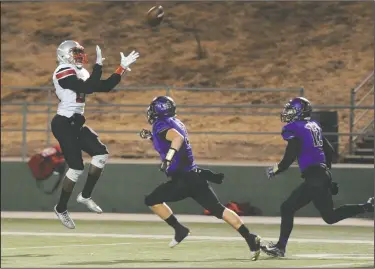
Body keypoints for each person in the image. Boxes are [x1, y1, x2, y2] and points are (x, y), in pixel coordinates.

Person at [139, 96, 262, 261]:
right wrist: (151, 137)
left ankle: (179, 229)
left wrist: (168, 158)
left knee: (151, 200)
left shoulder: (161, 123)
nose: (150, 112)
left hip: (182, 179)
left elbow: (177, 139)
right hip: (194, 176)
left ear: (159, 110)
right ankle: (250, 238)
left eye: (153, 108)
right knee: (219, 210)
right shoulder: (176, 122)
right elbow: (169, 139)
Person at [261, 97, 374, 258]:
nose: (288, 113)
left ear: (300, 111)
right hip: (320, 176)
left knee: (287, 207)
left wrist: (275, 169)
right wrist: (327, 176)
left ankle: (280, 247)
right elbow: (329, 151)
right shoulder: (313, 126)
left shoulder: (295, 128)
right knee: (330, 216)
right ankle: (366, 207)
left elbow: (288, 159)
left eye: (291, 110)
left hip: (316, 177)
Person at [51, 40, 139, 229]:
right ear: (64, 55)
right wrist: (98, 66)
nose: (79, 56)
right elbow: (87, 88)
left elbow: (105, 86)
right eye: (75, 53)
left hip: (76, 123)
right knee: (76, 168)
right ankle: (61, 208)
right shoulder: (62, 70)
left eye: (80, 52)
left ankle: (85, 196)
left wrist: (121, 68)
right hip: (63, 124)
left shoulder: (80, 71)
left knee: (101, 154)